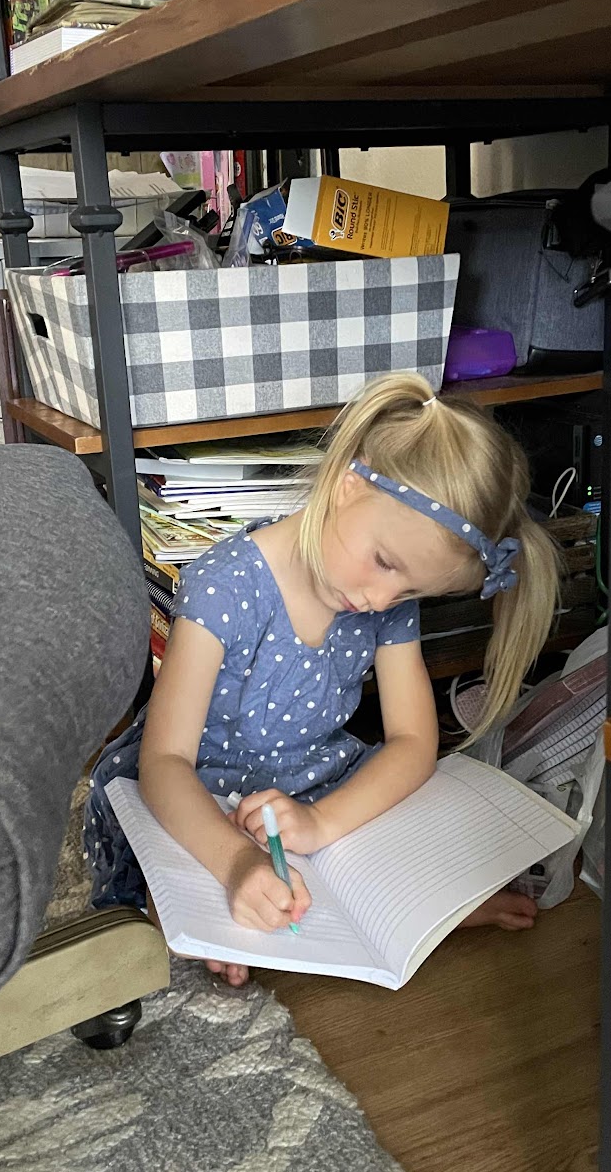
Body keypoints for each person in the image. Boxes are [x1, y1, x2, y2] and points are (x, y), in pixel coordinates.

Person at [85, 371, 559, 985]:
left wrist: (322, 824)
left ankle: (420, 911)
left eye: (410, 590)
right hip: (200, 789)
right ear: (346, 484)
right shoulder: (224, 585)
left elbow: (414, 743)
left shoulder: (383, 601)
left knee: (407, 817)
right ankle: (211, 913)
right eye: (384, 563)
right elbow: (164, 763)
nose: (381, 599)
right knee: (177, 881)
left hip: (313, 780)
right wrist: (236, 864)